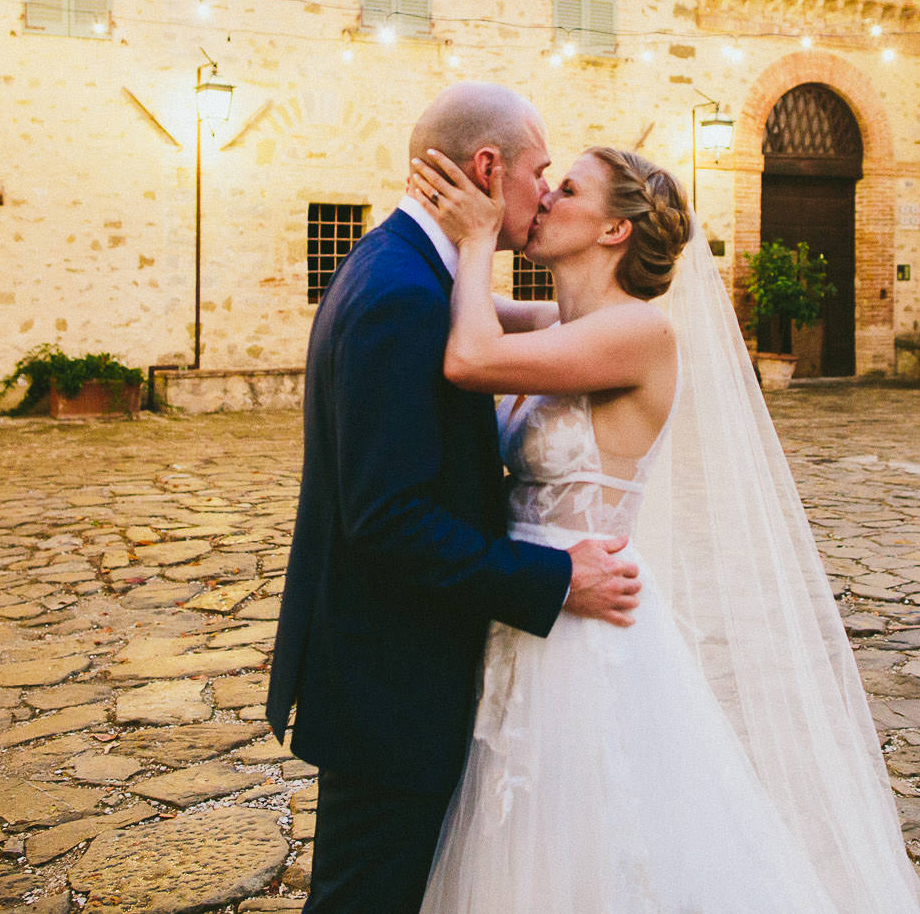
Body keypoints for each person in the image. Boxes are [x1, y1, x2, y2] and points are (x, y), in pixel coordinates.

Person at [409, 143, 920, 913]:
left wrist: (478, 233)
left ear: (615, 229)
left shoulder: (640, 336)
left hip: (585, 632)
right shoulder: (559, 322)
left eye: (567, 189)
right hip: (524, 607)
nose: (546, 198)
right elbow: (459, 310)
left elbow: (469, 354)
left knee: (590, 839)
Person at [266, 83, 644, 914]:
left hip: (397, 667)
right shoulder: (405, 295)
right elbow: (391, 522)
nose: (545, 191)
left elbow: (540, 327)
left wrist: (601, 307)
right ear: (486, 167)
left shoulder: (401, 268)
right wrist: (556, 580)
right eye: (541, 171)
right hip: (390, 681)